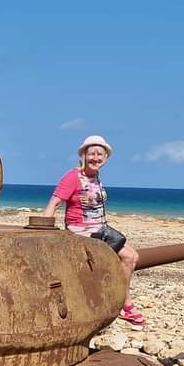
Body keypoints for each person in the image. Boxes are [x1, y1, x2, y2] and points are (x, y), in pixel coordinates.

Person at [42, 134, 145, 328]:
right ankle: (124, 304)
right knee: (126, 259)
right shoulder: (73, 176)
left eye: (100, 154)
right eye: (91, 154)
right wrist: (42, 231)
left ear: (105, 158)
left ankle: (119, 301)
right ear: (83, 156)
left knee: (132, 257)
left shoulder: (95, 176)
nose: (96, 158)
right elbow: (54, 203)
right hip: (81, 232)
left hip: (100, 229)